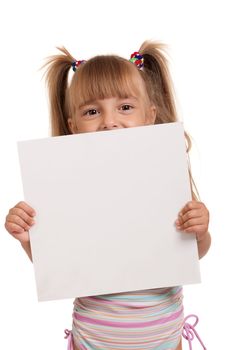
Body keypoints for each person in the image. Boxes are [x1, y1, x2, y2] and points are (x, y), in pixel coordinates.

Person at [5, 41, 211, 350]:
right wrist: (29, 239)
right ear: (73, 127)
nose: (109, 121)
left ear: (149, 116)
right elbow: (58, 264)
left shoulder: (165, 178)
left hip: (166, 342)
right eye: (92, 111)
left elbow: (193, 252)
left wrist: (200, 231)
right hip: (91, 342)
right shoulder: (66, 190)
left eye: (125, 107)